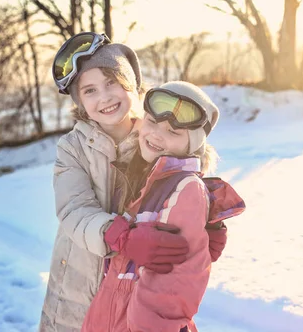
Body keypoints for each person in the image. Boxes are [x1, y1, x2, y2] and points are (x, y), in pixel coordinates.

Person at [40, 33, 229, 332]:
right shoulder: (72, 148)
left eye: (111, 82)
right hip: (79, 283)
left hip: (128, 292)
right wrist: (121, 238)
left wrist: (201, 230)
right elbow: (73, 209)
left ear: (132, 83)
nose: (104, 97)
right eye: (89, 90)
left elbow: (178, 188)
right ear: (79, 101)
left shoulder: (154, 135)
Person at [81, 81, 246, 332]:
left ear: (192, 145)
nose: (157, 135)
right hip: (110, 314)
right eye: (152, 122)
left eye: (174, 132)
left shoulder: (185, 188)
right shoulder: (141, 176)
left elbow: (176, 282)